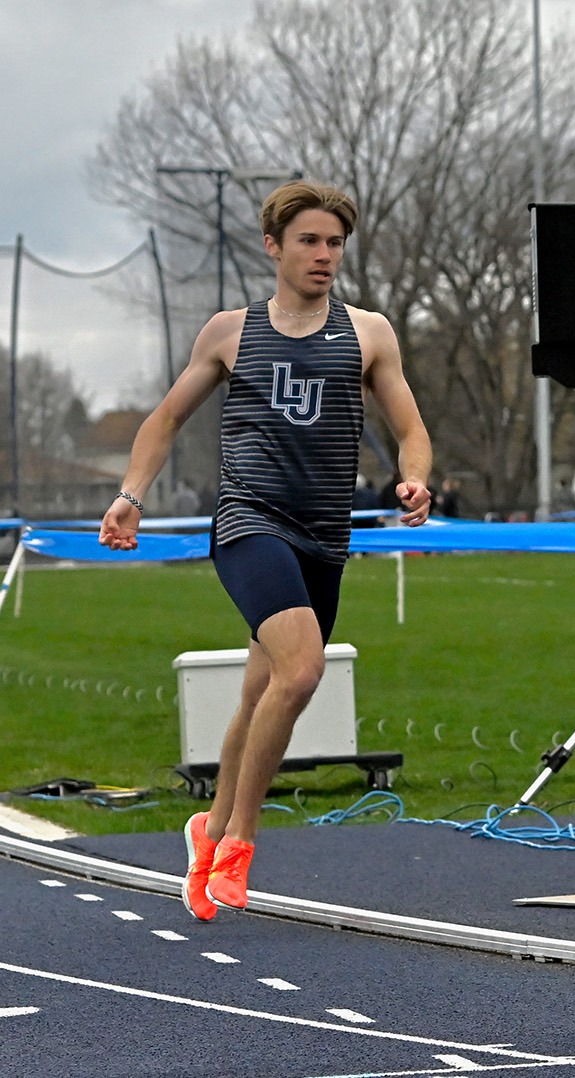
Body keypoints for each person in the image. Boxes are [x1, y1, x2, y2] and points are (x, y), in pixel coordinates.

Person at [98, 180, 433, 920]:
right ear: (273, 246)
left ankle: (206, 827)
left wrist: (413, 479)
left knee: (262, 692)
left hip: (325, 535)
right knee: (304, 669)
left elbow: (411, 428)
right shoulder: (230, 332)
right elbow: (164, 419)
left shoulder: (370, 331)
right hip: (250, 522)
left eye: (335, 243)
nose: (324, 255)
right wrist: (130, 494)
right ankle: (240, 843)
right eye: (309, 241)